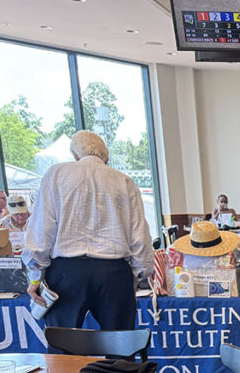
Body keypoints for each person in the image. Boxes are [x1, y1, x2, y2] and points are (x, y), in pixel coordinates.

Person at [22, 131, 153, 330]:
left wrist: (35, 277)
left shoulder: (56, 174)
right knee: (120, 346)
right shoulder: (124, 181)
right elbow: (139, 237)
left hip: (66, 272)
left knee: (62, 346)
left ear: (75, 155)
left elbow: (42, 230)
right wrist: (137, 278)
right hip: (114, 272)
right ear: (105, 157)